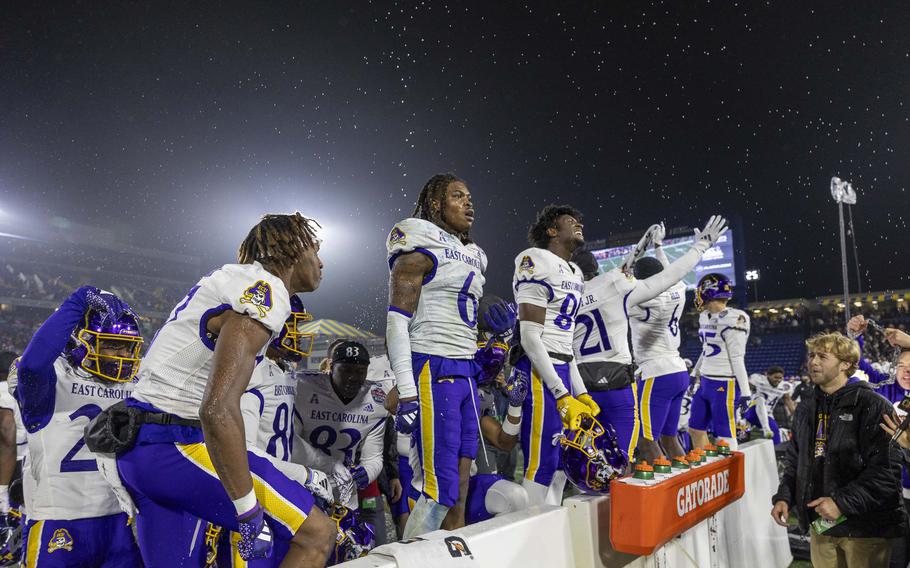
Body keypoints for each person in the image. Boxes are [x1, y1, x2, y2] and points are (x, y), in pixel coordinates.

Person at [116, 213, 336, 567]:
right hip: (175, 444)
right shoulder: (266, 289)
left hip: (138, 449)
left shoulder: (232, 281)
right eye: (315, 248)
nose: (321, 261)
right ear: (294, 250)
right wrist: (248, 511)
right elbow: (216, 408)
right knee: (316, 533)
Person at [385, 173, 496, 536]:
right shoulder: (419, 236)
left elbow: (461, 319)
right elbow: (396, 321)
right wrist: (407, 390)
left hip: (465, 371)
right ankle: (407, 557)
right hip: (433, 366)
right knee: (438, 490)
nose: (469, 203)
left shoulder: (474, 253)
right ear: (436, 203)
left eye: (470, 196)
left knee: (461, 487)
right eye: (457, 196)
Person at [572, 217, 727, 463]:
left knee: (646, 442)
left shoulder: (632, 298)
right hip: (678, 369)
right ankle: (685, 488)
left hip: (653, 372)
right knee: (669, 438)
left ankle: (661, 494)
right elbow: (671, 275)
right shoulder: (677, 292)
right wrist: (659, 247)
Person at [14, 287, 144, 566]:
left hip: (119, 520)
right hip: (59, 520)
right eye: (111, 344)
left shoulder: (133, 386)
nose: (122, 354)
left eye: (127, 346)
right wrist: (79, 299)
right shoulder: (54, 380)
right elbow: (33, 366)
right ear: (81, 342)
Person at [772, 333, 906, 568]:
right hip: (821, 526)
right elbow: (795, 460)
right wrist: (785, 495)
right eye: (812, 355)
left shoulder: (873, 405)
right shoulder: (806, 408)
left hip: (865, 529)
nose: (813, 362)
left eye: (822, 356)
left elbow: (886, 472)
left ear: (846, 364)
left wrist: (841, 503)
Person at [512, 204, 595, 506]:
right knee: (542, 462)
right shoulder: (535, 259)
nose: (578, 225)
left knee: (563, 464)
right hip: (537, 369)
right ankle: (528, 532)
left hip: (561, 368)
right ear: (552, 230)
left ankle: (550, 526)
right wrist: (561, 393)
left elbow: (566, 344)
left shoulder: (576, 271)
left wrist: (581, 392)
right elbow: (530, 337)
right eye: (570, 221)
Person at [689, 272, 752, 450]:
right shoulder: (704, 316)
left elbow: (737, 358)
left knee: (724, 435)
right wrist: (695, 373)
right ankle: (706, 467)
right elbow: (706, 349)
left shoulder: (735, 318)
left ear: (709, 292)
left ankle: (733, 476)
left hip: (724, 382)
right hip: (705, 382)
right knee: (695, 429)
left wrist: (746, 392)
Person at [743, 366, 792, 445]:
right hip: (752, 412)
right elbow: (744, 388)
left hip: (768, 414)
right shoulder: (759, 380)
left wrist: (795, 414)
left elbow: (788, 400)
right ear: (767, 375)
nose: (778, 380)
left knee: (775, 432)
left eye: (780, 378)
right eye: (775, 377)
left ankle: (776, 454)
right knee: (760, 398)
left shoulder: (784, 386)